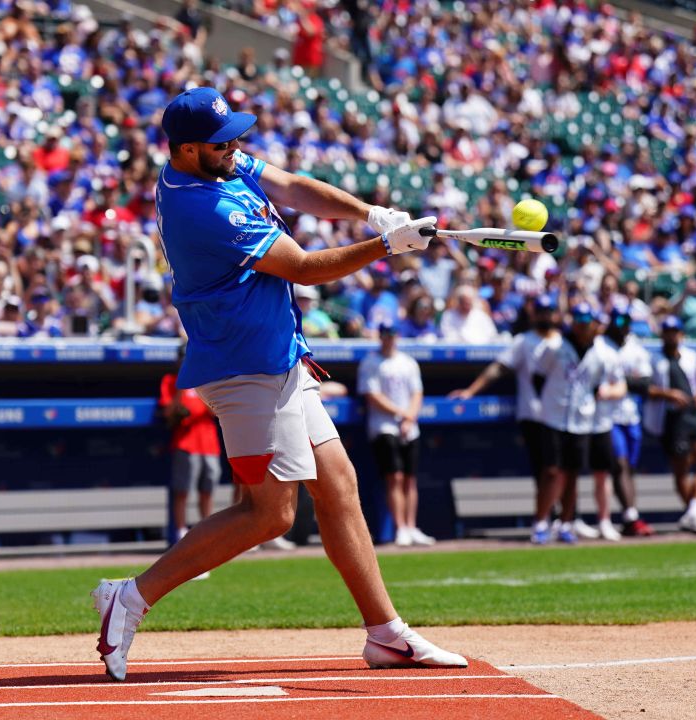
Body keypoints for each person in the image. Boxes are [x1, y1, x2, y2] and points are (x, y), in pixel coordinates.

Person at [93, 87, 464, 683]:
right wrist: (385, 247)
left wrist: (371, 213)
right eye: (222, 141)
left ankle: (386, 633)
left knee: (339, 486)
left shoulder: (216, 162)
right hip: (247, 368)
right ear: (188, 149)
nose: (236, 147)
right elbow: (301, 266)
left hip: (278, 358)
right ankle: (130, 597)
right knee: (268, 514)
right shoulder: (204, 208)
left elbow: (292, 186)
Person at [449, 294, 562, 544]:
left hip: (565, 415)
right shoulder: (524, 341)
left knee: (564, 470)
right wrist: (470, 391)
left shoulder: (565, 342)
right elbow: (499, 367)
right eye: (541, 311)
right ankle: (543, 521)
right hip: (534, 415)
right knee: (546, 470)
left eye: (549, 311)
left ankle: (563, 520)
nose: (545, 316)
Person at [533, 303, 626, 544]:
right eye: (580, 322)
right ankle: (541, 522)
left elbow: (602, 385)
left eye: (589, 323)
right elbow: (538, 377)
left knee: (573, 473)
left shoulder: (603, 353)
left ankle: (566, 523)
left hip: (582, 419)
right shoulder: (555, 347)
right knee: (551, 471)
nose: (584, 327)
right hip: (553, 416)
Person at [358, 324, 435, 547]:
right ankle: (400, 527)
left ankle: (411, 526)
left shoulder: (408, 362)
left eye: (392, 335)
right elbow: (372, 395)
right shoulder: (371, 362)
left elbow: (417, 393)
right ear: (380, 337)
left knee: (410, 479)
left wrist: (409, 417)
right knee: (395, 477)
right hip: (384, 428)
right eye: (385, 335)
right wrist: (401, 414)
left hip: (409, 427)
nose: (389, 339)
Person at [645, 316, 696, 534]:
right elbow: (646, 388)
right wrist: (668, 394)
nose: (671, 335)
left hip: (692, 415)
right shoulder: (654, 360)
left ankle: (694, 512)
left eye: (674, 331)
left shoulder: (691, 356)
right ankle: (694, 514)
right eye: (667, 331)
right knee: (682, 469)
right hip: (670, 418)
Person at [159, 344, 223, 575]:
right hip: (185, 443)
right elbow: (169, 412)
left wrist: (197, 387)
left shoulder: (204, 380)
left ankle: (207, 537)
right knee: (182, 491)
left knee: (207, 491)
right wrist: (181, 387)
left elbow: (215, 411)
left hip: (209, 444)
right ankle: (180, 534)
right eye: (182, 359)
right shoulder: (171, 380)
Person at [603, 304, 656, 536]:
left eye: (627, 322)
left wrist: (621, 383)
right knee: (620, 464)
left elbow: (645, 384)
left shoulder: (635, 347)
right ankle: (631, 516)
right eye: (619, 322)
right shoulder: (600, 346)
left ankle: (628, 517)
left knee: (629, 468)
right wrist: (627, 382)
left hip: (631, 415)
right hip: (606, 415)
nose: (624, 327)